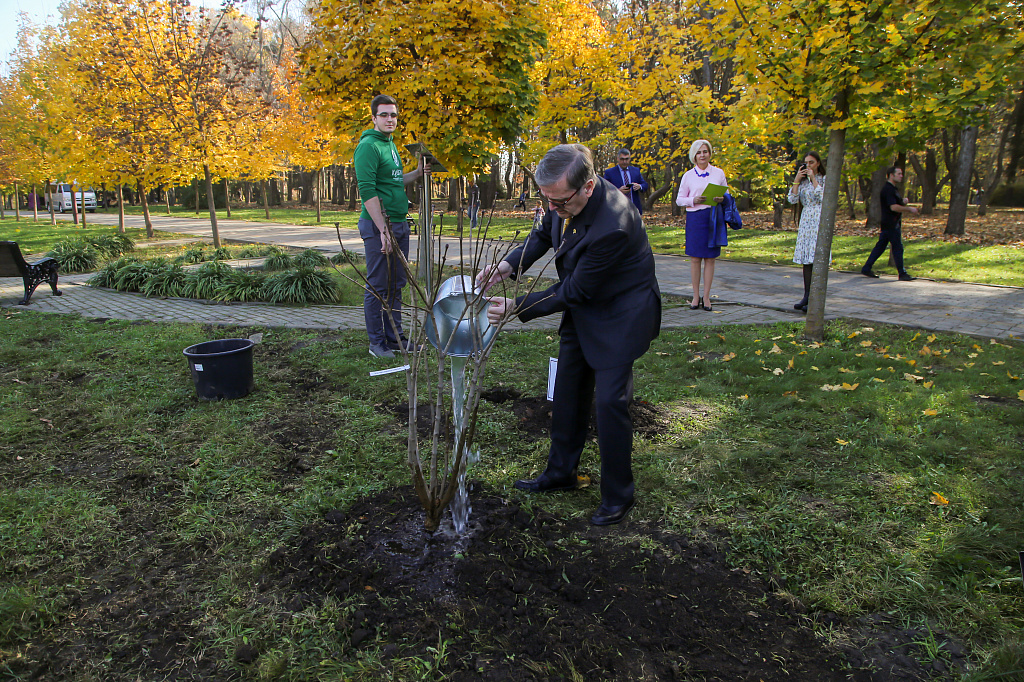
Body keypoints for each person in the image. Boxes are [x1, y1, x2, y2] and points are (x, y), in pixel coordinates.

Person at [477, 144, 661, 526]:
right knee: (567, 390)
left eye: (559, 201)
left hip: (620, 314)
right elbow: (545, 232)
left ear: (589, 187)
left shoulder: (614, 224)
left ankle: (618, 496)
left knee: (610, 402)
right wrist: (507, 266)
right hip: (584, 308)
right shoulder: (563, 202)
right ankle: (561, 473)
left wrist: (516, 307)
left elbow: (574, 289)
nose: (554, 208)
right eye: (549, 200)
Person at [354, 93, 430, 359]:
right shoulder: (368, 147)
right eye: (384, 114)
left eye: (393, 114)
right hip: (379, 226)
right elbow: (367, 190)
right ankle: (377, 343)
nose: (390, 119)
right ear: (374, 117)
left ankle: (395, 337)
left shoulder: (391, 145)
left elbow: (394, 182)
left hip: (399, 223)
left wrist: (418, 174)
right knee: (378, 285)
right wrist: (383, 230)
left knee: (396, 284)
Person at [675, 139, 727, 311]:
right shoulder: (688, 176)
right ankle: (695, 296)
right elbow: (679, 199)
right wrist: (693, 200)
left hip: (712, 217)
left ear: (710, 153)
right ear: (694, 156)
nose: (702, 155)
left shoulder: (719, 173)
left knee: (710, 258)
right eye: (699, 152)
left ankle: (707, 297)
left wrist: (721, 198)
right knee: (695, 258)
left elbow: (726, 195)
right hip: (695, 218)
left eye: (705, 151)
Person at [861, 166, 918, 281]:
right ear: (891, 175)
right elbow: (893, 207)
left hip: (891, 223)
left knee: (881, 246)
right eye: (899, 174)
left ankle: (867, 268)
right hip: (890, 223)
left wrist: (904, 202)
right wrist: (909, 209)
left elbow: (897, 203)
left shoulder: (893, 189)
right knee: (897, 247)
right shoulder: (888, 189)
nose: (901, 176)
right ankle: (902, 273)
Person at [787, 152, 826, 312]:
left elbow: (822, 196)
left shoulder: (824, 179)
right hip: (806, 220)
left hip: (818, 219)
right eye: (806, 163)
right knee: (806, 260)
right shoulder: (802, 182)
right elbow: (793, 199)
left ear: (817, 163)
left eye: (811, 163)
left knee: (816, 259)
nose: (808, 166)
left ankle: (816, 298)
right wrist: (797, 179)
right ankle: (806, 295)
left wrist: (813, 179)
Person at [602, 147, 650, 215]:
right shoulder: (610, 173)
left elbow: (645, 185)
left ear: (630, 159)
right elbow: (604, 190)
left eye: (627, 159)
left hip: (634, 208)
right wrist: (618, 191)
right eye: (622, 159)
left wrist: (640, 186)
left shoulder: (635, 171)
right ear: (618, 159)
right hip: (617, 209)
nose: (624, 162)